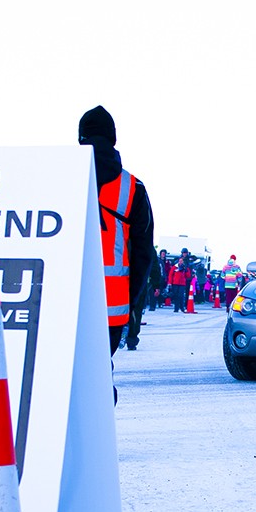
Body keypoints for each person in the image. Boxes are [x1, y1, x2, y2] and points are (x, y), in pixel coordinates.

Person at [79, 106, 155, 400]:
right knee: (99, 373)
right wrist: (132, 303)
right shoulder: (133, 187)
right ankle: (99, 437)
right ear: (113, 139)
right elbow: (143, 255)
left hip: (67, 302)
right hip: (112, 305)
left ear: (81, 138)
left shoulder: (60, 177)